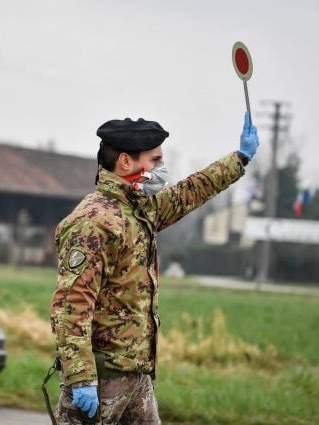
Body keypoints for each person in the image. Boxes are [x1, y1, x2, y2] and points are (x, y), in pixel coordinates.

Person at [50, 112, 258, 424]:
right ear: (125, 162)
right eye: (155, 160)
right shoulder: (94, 222)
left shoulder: (140, 211)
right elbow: (71, 305)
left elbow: (189, 192)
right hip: (101, 379)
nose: (161, 169)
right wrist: (81, 377)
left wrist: (239, 159)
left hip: (137, 376)